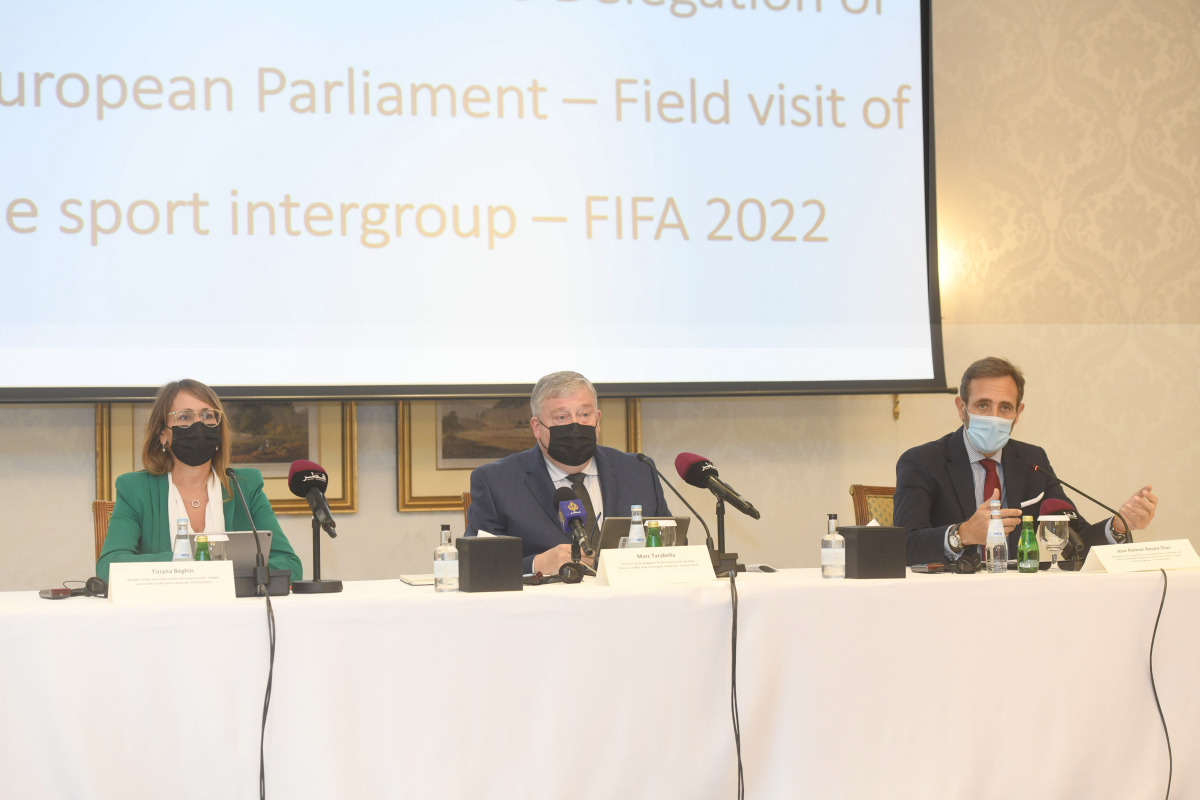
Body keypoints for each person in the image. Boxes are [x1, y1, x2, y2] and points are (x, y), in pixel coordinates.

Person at [894, 357, 1157, 566]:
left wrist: (1119, 525)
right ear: (962, 407)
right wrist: (963, 534)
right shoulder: (921, 462)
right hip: (947, 599)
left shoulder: (1032, 461)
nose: (994, 417)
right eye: (983, 405)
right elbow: (903, 546)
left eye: (1005, 407)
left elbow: (1075, 541)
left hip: (1019, 595)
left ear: (1018, 413)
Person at [96, 379, 303, 583]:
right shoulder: (135, 489)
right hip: (163, 612)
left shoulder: (245, 486)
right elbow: (109, 567)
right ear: (162, 435)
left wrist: (213, 572)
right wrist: (192, 562)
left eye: (207, 416)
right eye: (185, 417)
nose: (199, 425)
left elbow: (289, 565)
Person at [465, 371, 670, 575]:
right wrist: (536, 564)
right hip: (547, 605)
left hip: (633, 602)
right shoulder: (496, 482)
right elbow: (476, 563)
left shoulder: (640, 471)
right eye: (561, 417)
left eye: (584, 415)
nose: (575, 426)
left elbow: (673, 545)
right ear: (537, 427)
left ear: (597, 420)